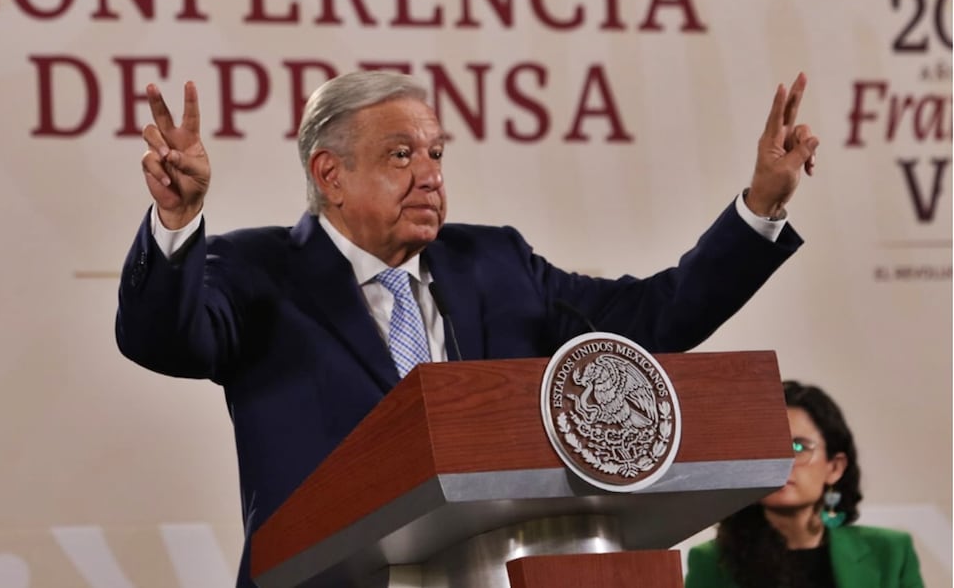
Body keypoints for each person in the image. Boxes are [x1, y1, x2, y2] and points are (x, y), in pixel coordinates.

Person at [116, 70, 819, 587]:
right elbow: (164, 339)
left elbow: (652, 319)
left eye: (436, 154)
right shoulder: (258, 270)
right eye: (401, 155)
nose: (429, 176)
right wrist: (179, 225)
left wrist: (760, 207)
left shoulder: (495, 262)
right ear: (330, 173)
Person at [685, 380, 925, 588]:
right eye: (768, 448)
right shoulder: (712, 561)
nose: (781, 462)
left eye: (798, 447)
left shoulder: (891, 552)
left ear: (835, 467)